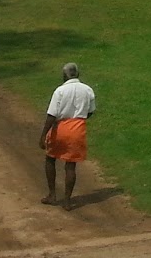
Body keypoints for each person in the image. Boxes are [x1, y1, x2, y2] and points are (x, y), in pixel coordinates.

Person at [40, 62, 96, 209]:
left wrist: (43, 135)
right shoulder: (88, 90)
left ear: (64, 75)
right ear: (78, 74)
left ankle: (52, 195)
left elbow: (51, 115)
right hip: (78, 128)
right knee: (70, 166)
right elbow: (90, 111)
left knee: (50, 158)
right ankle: (67, 201)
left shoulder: (60, 90)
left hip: (61, 128)